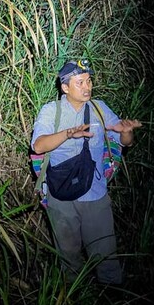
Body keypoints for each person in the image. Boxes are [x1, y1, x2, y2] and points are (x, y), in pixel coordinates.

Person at [31, 59, 142, 285]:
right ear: (65, 87)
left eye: (89, 81)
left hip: (95, 194)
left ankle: (112, 300)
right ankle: (77, 302)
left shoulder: (99, 108)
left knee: (105, 252)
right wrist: (68, 134)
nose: (87, 87)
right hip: (60, 196)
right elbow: (38, 146)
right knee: (68, 255)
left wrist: (127, 132)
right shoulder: (51, 111)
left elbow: (124, 141)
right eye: (80, 82)